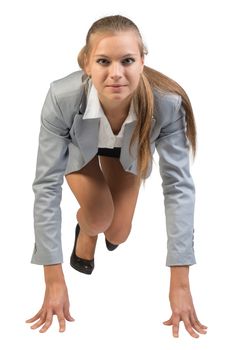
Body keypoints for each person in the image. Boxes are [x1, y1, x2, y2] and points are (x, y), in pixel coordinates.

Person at [25, 14, 208, 337]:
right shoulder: (61, 97)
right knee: (98, 218)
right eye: (103, 61)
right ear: (86, 63)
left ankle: (100, 223)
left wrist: (180, 281)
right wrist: (53, 277)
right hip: (82, 151)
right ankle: (89, 227)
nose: (116, 74)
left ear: (141, 61)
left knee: (118, 233)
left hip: (126, 154)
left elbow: (179, 187)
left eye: (127, 61)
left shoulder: (167, 104)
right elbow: (46, 185)